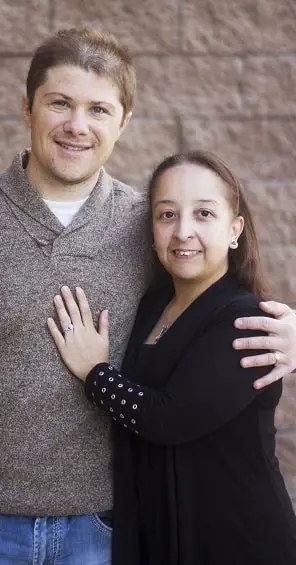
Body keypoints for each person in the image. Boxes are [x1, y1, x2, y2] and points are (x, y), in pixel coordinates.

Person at [0, 28, 295, 565]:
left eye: (99, 109)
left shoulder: (147, 226)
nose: (77, 126)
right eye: (60, 103)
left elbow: (210, 305)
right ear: (27, 108)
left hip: (106, 532)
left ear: (123, 121)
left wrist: (291, 332)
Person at [47, 150, 296, 565]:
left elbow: (168, 419)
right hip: (162, 536)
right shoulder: (153, 306)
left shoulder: (246, 319)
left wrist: (95, 373)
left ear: (235, 229)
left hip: (238, 542)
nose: (183, 231)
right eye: (167, 215)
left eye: (203, 214)